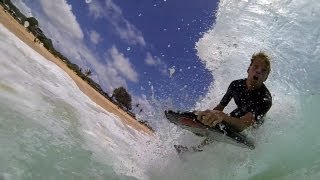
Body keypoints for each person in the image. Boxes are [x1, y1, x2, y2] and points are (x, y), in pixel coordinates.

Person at [197, 52, 272, 133]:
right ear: (248, 69)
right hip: (240, 112)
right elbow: (220, 107)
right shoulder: (235, 85)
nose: (258, 71)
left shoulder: (265, 99)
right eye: (255, 67)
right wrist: (210, 116)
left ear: (266, 78)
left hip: (255, 124)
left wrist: (221, 116)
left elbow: (243, 125)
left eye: (263, 70)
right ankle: (198, 146)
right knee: (218, 122)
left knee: (224, 118)